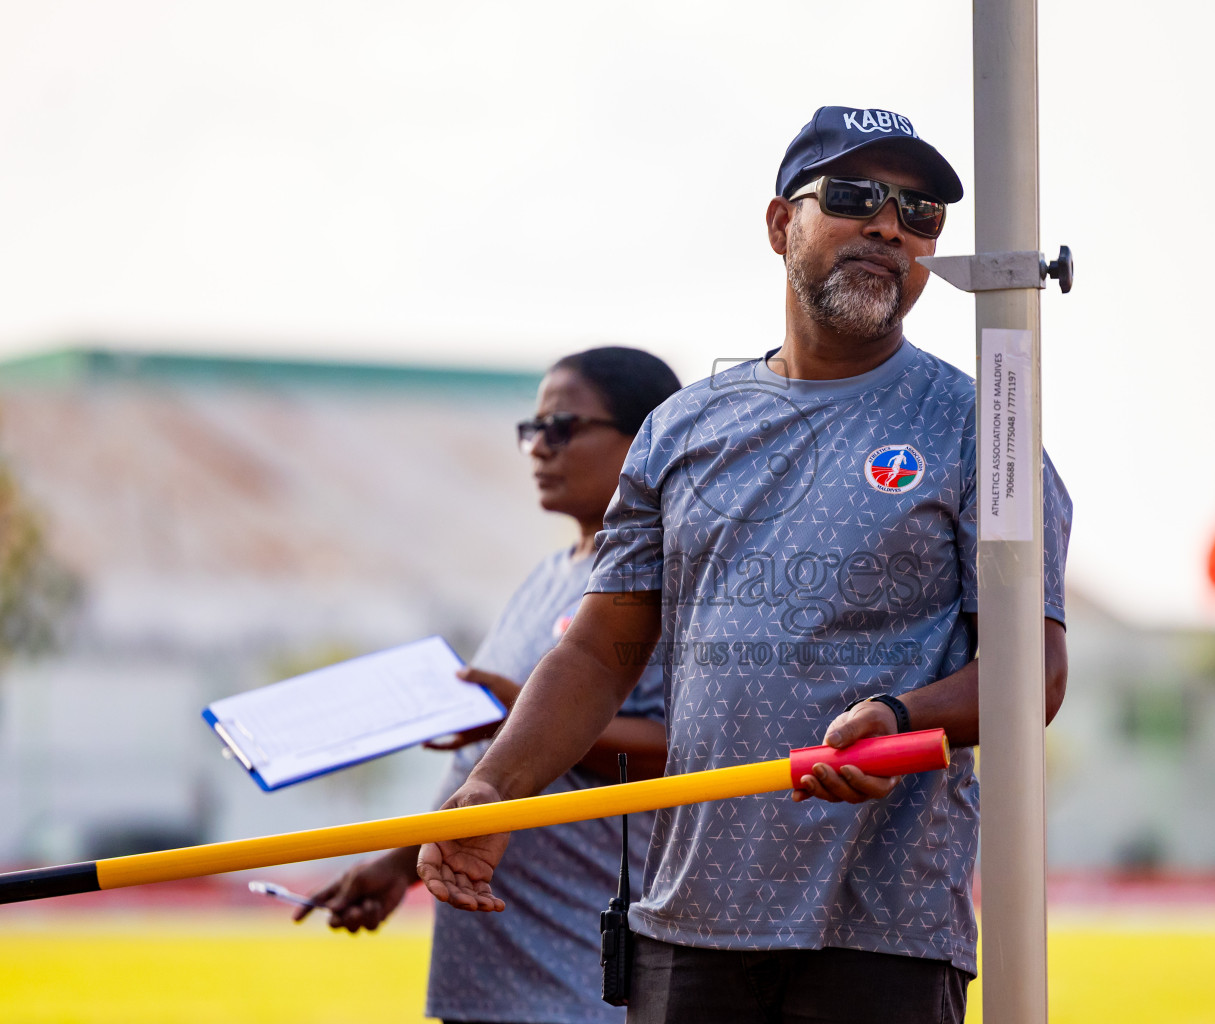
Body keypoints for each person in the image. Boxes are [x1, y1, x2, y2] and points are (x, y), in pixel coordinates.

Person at [419, 106, 1072, 1024]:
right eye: (854, 197)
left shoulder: (983, 428)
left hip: (879, 935)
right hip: (686, 927)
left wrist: (898, 715)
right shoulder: (682, 429)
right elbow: (600, 651)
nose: (889, 225)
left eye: (920, 213)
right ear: (780, 225)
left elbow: (1030, 674)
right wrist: (495, 787)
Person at [296, 347, 683, 1024]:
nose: (538, 447)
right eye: (532, 429)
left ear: (647, 438)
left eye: (562, 427)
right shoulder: (544, 578)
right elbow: (485, 761)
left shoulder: (669, 584)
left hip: (579, 961)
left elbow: (684, 752)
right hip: (486, 952)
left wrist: (517, 718)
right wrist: (397, 863)